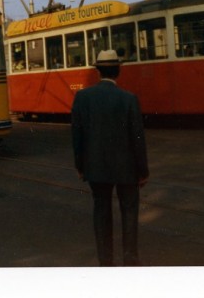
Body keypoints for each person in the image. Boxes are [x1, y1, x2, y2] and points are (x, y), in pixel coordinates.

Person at [71, 49, 149, 267]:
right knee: (130, 210)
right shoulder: (129, 99)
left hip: (96, 167)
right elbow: (138, 139)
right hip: (127, 168)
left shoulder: (83, 97)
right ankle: (130, 259)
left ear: (98, 71)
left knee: (101, 210)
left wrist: (80, 165)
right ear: (118, 71)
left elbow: (77, 136)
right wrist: (143, 171)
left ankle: (105, 261)